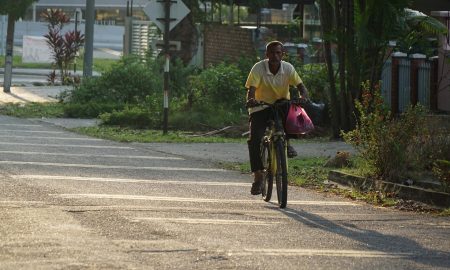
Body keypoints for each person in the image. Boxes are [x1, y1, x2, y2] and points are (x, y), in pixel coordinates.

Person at [245, 40, 309, 195]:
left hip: (281, 105)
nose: (275, 55)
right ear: (266, 54)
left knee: (291, 114)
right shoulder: (258, 68)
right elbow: (251, 90)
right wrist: (251, 99)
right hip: (261, 106)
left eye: (278, 52)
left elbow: (301, 87)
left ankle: (286, 142)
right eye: (271, 53)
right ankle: (258, 176)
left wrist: (303, 96)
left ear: (283, 54)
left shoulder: (288, 68)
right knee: (255, 139)